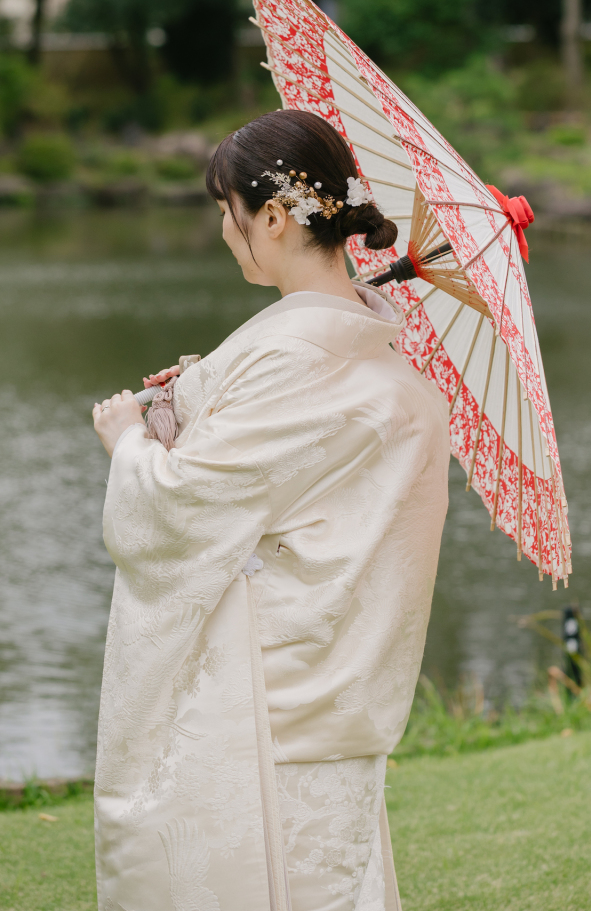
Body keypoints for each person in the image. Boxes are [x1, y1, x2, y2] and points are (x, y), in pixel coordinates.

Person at [91, 110, 450, 911]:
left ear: (277, 218)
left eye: (229, 211)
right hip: (338, 682)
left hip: (261, 703)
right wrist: (201, 391)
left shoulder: (292, 357)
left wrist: (130, 443)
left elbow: (181, 509)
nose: (224, 230)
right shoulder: (377, 362)